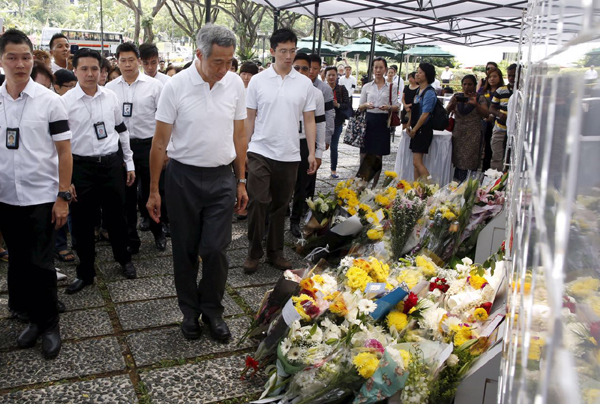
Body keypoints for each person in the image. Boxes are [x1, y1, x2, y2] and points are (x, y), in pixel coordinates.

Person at [147, 24, 247, 342]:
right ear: (199, 54)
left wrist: (241, 180)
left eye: (230, 61)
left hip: (221, 178)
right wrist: (153, 190)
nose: (224, 68)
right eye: (218, 61)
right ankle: (189, 313)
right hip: (182, 178)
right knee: (185, 251)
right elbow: (160, 143)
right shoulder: (175, 87)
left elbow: (239, 135)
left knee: (216, 250)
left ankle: (213, 311)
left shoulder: (234, 85)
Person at [0, 29, 73, 359]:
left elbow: (64, 152)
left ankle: (50, 325)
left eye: (26, 57)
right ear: (2, 60)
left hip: (42, 197)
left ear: (34, 58)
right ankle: (31, 318)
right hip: (5, 197)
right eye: (12, 57)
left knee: (42, 264)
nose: (20, 64)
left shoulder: (50, 102)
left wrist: (62, 196)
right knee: (18, 263)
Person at [62, 48, 137, 294]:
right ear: (75, 70)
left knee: (117, 216)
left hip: (111, 164)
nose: (90, 73)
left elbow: (121, 130)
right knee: (82, 222)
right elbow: (59, 145)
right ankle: (86, 273)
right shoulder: (64, 103)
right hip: (81, 167)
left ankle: (124, 259)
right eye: (84, 68)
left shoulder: (110, 97)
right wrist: (65, 180)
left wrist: (129, 162)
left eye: (95, 68)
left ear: (101, 71)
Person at [243, 28, 317, 274]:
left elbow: (309, 120)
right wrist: (243, 150)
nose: (288, 56)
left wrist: (312, 152)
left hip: (289, 153)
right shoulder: (258, 80)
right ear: (273, 51)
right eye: (283, 51)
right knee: (258, 200)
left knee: (280, 206)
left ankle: (275, 252)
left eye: (292, 51)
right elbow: (249, 118)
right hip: (260, 150)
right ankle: (254, 250)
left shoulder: (304, 84)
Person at [106, 42, 166, 254]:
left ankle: (158, 230)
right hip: (122, 148)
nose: (128, 64)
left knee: (153, 190)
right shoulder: (110, 89)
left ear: (138, 61)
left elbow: (164, 119)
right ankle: (132, 238)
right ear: (117, 62)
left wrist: (165, 149)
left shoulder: (154, 86)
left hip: (148, 146)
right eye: (123, 60)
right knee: (127, 196)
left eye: (132, 60)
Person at [290, 53, 326, 238]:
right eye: (297, 68)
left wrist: (318, 151)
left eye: (305, 68)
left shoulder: (316, 93)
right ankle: (271, 222)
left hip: (305, 141)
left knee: (301, 185)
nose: (301, 72)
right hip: (284, 140)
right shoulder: (284, 87)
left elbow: (319, 123)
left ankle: (295, 220)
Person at [358, 57, 399, 186]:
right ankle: (362, 183)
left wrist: (389, 107)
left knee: (378, 156)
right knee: (364, 154)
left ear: (386, 70)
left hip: (382, 122)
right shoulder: (366, 86)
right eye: (376, 67)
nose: (378, 70)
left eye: (381, 67)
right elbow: (359, 106)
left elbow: (397, 106)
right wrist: (366, 105)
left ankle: (374, 186)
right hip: (368, 121)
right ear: (372, 69)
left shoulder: (391, 86)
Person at [446, 74, 489, 181]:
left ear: (475, 85)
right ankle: (456, 185)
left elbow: (486, 114)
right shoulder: (457, 96)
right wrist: (452, 104)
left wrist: (476, 104)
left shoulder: (480, 98)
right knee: (458, 161)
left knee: (470, 162)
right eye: (464, 84)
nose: (466, 87)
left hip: (473, 135)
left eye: (469, 84)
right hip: (458, 135)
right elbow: (446, 112)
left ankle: (468, 186)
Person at [407, 63, 437, 180]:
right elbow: (413, 110)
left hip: (422, 130)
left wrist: (415, 129)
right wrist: (409, 124)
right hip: (416, 128)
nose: (417, 74)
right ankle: (417, 188)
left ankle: (430, 186)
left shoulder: (429, 92)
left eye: (420, 72)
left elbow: (425, 114)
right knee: (415, 164)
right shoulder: (419, 90)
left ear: (427, 75)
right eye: (417, 72)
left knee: (417, 162)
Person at [489, 63, 517, 170]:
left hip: (516, 133)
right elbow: (491, 108)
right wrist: (499, 114)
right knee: (497, 158)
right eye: (509, 75)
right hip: (500, 130)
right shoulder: (501, 90)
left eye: (514, 76)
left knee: (512, 160)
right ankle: (496, 182)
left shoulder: (525, 92)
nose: (511, 78)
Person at [325, 66, 350, 179]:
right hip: (323, 122)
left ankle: (333, 169)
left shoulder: (341, 89)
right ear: (325, 76)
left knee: (334, 146)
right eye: (329, 75)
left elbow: (347, 105)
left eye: (333, 75)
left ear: (337, 76)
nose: (331, 77)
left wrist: (337, 105)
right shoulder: (322, 89)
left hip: (337, 121)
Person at [308, 54, 334, 155]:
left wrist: (327, 138)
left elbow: (329, 114)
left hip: (316, 130)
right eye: (309, 68)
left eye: (315, 68)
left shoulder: (325, 89)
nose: (311, 71)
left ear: (319, 70)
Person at [478, 67, 504, 170]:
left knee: (492, 150)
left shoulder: (502, 91)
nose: (492, 79)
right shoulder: (483, 91)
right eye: (489, 77)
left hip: (496, 125)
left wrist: (493, 116)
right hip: (483, 123)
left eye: (495, 76)